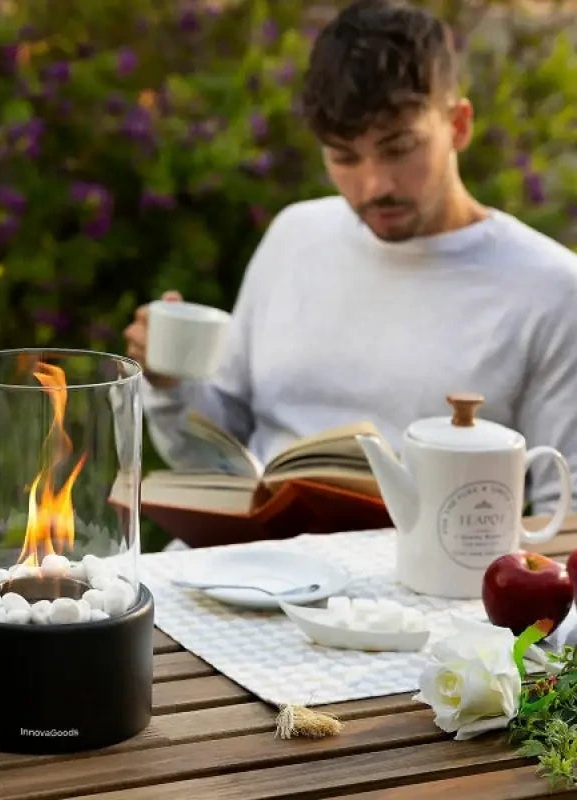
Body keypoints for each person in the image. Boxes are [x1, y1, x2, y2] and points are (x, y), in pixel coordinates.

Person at [124, 0, 577, 514]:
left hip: (419, 583)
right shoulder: (295, 235)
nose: (374, 184)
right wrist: (170, 385)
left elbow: (563, 514)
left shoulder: (551, 288)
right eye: (344, 157)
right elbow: (218, 456)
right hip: (247, 563)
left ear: (458, 125)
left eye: (399, 148)